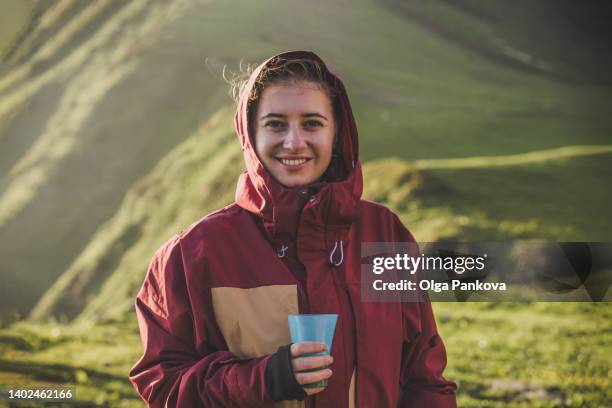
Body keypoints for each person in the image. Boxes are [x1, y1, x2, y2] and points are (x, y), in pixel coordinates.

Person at [129, 50, 457, 407]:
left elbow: (424, 377)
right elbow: (163, 385)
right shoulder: (191, 254)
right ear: (250, 134)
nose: (294, 142)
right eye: (275, 124)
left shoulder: (384, 234)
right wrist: (267, 378)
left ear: (338, 134)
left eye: (312, 123)